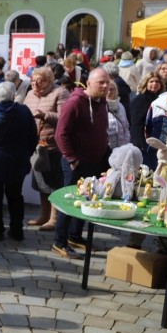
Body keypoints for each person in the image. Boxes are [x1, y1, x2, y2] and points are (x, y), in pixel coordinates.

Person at [52, 68, 111, 259]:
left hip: (94, 161)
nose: (105, 86)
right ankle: (59, 242)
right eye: (101, 82)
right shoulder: (75, 102)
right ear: (89, 83)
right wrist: (72, 159)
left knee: (87, 199)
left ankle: (75, 236)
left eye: (107, 82)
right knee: (69, 201)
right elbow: (60, 134)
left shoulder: (102, 102)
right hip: (75, 163)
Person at [0, 83, 38, 242]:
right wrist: (28, 153)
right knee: (15, 196)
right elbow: (33, 135)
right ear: (13, 95)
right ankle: (17, 230)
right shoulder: (24, 111)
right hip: (18, 160)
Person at [22, 66, 70, 230]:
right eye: (33, 80)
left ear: (49, 81)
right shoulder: (30, 94)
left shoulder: (60, 93)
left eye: (39, 81)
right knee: (41, 183)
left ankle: (54, 219)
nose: (34, 84)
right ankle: (44, 215)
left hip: (52, 146)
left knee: (54, 184)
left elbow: (65, 117)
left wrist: (45, 115)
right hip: (36, 146)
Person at [130, 72, 163, 156]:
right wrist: (141, 144)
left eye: (157, 81)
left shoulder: (159, 99)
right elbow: (136, 124)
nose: (154, 84)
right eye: (151, 81)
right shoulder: (140, 100)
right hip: (142, 144)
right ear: (146, 83)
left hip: (155, 142)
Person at [106, 80, 130, 151]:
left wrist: (126, 143)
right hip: (106, 149)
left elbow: (126, 127)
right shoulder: (100, 106)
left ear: (116, 91)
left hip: (121, 148)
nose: (109, 92)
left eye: (111, 89)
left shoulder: (120, 106)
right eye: (107, 89)